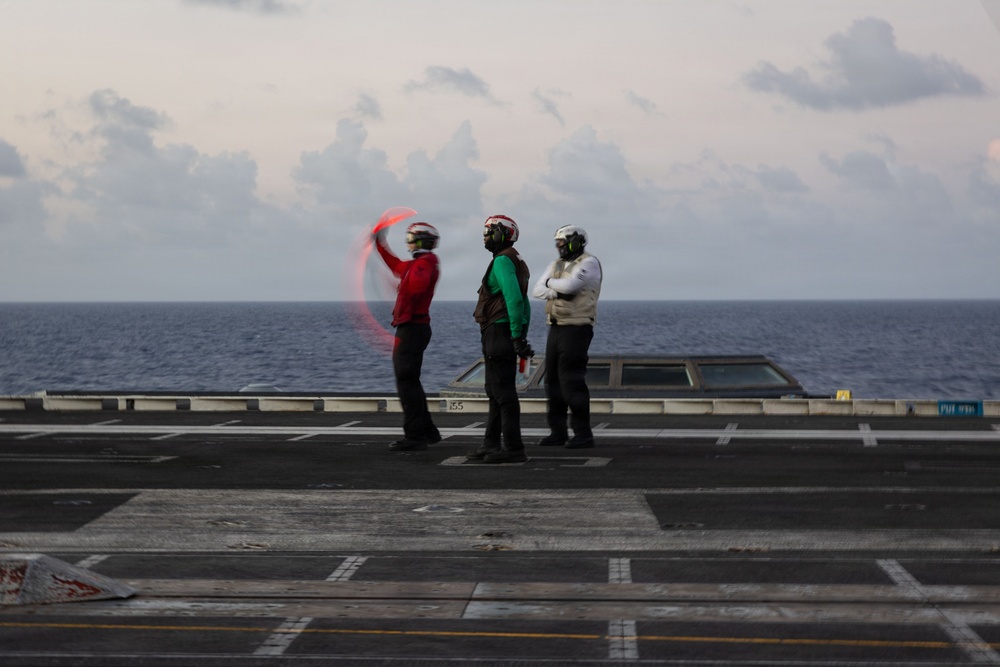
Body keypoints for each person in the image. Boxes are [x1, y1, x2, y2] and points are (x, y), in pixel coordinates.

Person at [468, 214, 534, 464]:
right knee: (494, 391)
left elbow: (515, 300)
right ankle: (491, 444)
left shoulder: (502, 261)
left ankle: (514, 448)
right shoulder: (516, 260)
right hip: (503, 332)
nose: (485, 236)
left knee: (503, 393)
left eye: (489, 231)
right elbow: (525, 303)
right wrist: (521, 335)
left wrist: (516, 336)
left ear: (501, 234)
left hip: (499, 332)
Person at [531, 224, 602, 449]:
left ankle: (583, 434)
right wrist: (555, 289)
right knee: (552, 383)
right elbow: (536, 290)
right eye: (557, 243)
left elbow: (570, 286)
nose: (559, 247)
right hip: (556, 326)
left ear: (575, 242)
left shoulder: (589, 263)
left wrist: (549, 284)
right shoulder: (556, 264)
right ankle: (558, 432)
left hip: (577, 327)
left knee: (572, 381)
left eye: (562, 242)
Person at [372, 221, 442, 451]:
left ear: (420, 241)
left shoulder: (424, 263)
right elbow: (395, 265)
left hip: (412, 328)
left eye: (411, 239)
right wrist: (380, 244)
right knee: (411, 381)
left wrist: (401, 289)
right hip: (412, 328)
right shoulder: (418, 264)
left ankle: (415, 436)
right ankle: (428, 431)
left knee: (406, 382)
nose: (408, 243)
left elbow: (417, 288)